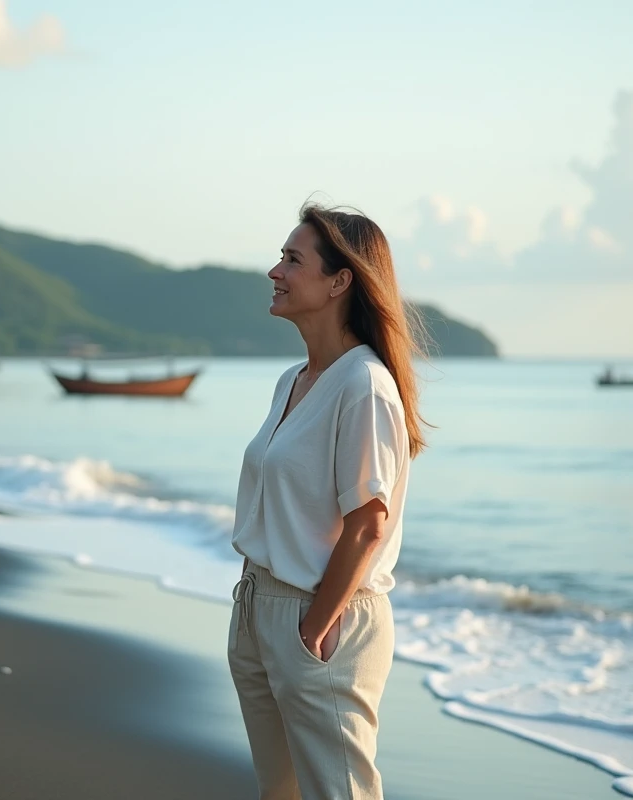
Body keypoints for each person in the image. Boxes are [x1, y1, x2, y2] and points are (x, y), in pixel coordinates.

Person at [228, 203, 426, 800]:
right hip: (259, 607)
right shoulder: (292, 380)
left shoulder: (364, 385)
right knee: (281, 792)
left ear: (341, 280)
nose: (275, 271)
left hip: (320, 619)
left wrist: (314, 626)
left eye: (293, 259)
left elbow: (367, 525)